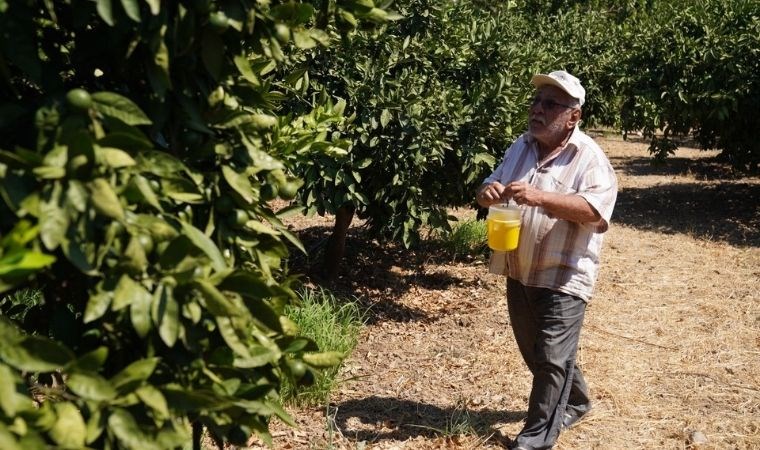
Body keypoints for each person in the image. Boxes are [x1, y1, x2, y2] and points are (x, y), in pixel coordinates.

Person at [476, 70, 618, 450]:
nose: (538, 109)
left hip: (564, 272)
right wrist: (487, 193)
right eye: (536, 101)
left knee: (553, 356)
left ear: (574, 115)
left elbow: (594, 211)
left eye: (550, 104)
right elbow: (487, 189)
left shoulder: (589, 158)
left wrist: (541, 197)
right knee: (538, 351)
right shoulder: (520, 146)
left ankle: (535, 437)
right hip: (518, 267)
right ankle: (578, 400)